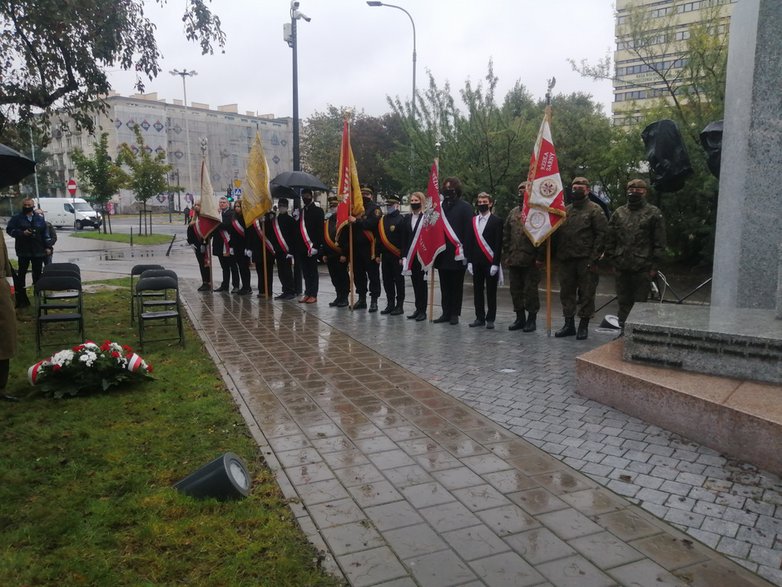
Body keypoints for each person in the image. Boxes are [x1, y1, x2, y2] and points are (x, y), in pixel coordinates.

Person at [605, 178, 667, 331]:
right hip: (621, 265)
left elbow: (659, 242)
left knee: (640, 304)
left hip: (643, 267)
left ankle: (637, 333)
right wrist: (612, 260)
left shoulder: (653, 213)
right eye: (631, 190)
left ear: (644, 192)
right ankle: (623, 332)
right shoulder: (619, 212)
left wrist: (654, 266)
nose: (634, 193)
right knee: (623, 302)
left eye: (638, 190)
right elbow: (610, 237)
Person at [554, 177, 608, 340]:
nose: (576, 190)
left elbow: (602, 235)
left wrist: (594, 258)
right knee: (566, 292)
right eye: (574, 187)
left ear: (587, 190)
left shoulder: (595, 210)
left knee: (586, 293)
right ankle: (568, 324)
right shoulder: (566, 210)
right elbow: (557, 233)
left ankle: (583, 325)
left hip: (586, 259)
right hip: (566, 259)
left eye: (580, 187)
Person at [503, 182, 544, 332]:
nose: (521, 194)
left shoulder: (537, 213)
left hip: (530, 261)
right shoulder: (513, 213)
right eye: (519, 192)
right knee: (515, 290)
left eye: (524, 192)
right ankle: (519, 318)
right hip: (514, 259)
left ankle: (531, 320)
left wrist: (540, 257)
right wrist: (507, 253)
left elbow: (542, 236)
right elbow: (506, 233)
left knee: (530, 291)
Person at [433, 177, 473, 325]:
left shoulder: (466, 208)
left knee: (456, 285)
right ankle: (445, 312)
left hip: (458, 253)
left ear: (457, 190)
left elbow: (469, 232)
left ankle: (455, 313)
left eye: (451, 190)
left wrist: (467, 253)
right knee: (444, 285)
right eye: (445, 189)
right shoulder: (440, 208)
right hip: (442, 253)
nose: (447, 192)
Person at [341, 185, 382, 312]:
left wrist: (356, 221)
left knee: (373, 275)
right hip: (356, 248)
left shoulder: (375, 209)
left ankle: (374, 301)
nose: (364, 196)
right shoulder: (354, 209)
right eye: (362, 194)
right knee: (358, 275)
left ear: (371, 196)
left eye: (367, 194)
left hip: (370, 248)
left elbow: (370, 224)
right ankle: (362, 299)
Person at [467, 192, 503, 329]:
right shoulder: (473, 221)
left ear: (491, 203)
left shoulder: (497, 221)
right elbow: (469, 241)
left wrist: (495, 263)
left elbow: (498, 244)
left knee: (491, 291)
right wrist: (469, 261)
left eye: (484, 202)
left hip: (490, 262)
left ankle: (490, 318)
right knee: (477, 290)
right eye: (480, 202)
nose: (482, 204)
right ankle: (479, 317)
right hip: (476, 262)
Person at [6, 197, 50, 307]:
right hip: (23, 251)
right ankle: (22, 298)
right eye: (25, 205)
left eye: (29, 205)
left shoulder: (39, 218)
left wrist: (48, 247)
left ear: (33, 205)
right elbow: (10, 230)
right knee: (22, 274)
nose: (27, 207)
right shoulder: (17, 218)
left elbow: (45, 233)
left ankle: (38, 295)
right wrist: (21, 233)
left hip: (37, 250)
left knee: (38, 274)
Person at [377, 194, 407, 316]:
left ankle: (399, 305)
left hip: (397, 256)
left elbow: (404, 240)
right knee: (387, 280)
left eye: (390, 205)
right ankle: (390, 304)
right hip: (385, 256)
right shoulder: (382, 220)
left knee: (399, 281)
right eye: (387, 205)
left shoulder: (401, 220)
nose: (388, 207)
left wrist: (402, 256)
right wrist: (377, 254)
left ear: (397, 205)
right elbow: (379, 239)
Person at [295, 189, 324, 303]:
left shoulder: (318, 211)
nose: (304, 198)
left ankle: (313, 294)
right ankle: (307, 292)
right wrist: (296, 219)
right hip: (302, 247)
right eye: (303, 196)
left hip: (312, 246)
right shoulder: (301, 212)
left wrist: (316, 246)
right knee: (305, 272)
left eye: (307, 195)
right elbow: (297, 231)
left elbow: (319, 230)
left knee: (312, 271)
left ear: (311, 196)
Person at [402, 191, 427, 321]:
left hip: (422, 256)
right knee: (415, 283)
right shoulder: (407, 218)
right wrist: (404, 256)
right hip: (411, 256)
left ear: (421, 202)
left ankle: (423, 310)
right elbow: (404, 239)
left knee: (422, 284)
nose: (414, 203)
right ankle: (417, 309)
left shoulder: (426, 218)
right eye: (412, 201)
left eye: (416, 201)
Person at [321, 195, 349, 307]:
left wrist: (345, 254)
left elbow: (347, 239)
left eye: (335, 205)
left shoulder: (343, 220)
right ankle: (338, 296)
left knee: (342, 276)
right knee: (334, 277)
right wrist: (323, 253)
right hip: (330, 255)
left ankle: (345, 297)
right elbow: (324, 237)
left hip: (340, 254)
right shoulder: (328, 221)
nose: (333, 207)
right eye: (331, 205)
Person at [212, 195, 240, 293]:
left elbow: (228, 226)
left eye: (224, 202)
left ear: (227, 204)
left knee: (233, 266)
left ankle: (236, 285)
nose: (222, 204)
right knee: (224, 267)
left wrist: (217, 223)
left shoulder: (231, 214)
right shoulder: (216, 214)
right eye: (220, 202)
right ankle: (225, 286)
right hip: (219, 243)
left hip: (229, 243)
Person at [1, 234, 17, 401]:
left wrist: (10, 286)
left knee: (6, 338)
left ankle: (1, 388)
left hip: (1, 292)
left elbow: (5, 262)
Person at [271, 198, 296, 300]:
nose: (282, 207)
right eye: (280, 205)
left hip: (287, 250)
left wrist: (291, 251)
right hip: (278, 250)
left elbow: (294, 237)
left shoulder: (291, 220)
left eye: (283, 205)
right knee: (280, 272)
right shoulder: (275, 220)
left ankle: (290, 291)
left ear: (287, 206)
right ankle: (285, 290)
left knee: (287, 272)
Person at [248, 210, 276, 298]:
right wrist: (249, 248)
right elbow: (250, 234)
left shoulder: (271, 218)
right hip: (257, 250)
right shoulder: (254, 219)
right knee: (260, 271)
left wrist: (266, 221)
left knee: (268, 271)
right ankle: (261, 290)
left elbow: (272, 233)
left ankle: (268, 291)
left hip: (267, 250)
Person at [186, 201, 211, 292]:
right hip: (197, 246)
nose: (196, 207)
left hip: (205, 245)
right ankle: (204, 281)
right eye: (195, 205)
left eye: (198, 205)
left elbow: (208, 233)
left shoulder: (205, 219)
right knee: (201, 264)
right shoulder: (193, 219)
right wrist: (191, 243)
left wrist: (205, 244)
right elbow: (189, 232)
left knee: (206, 264)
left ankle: (208, 282)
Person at [229, 200, 252, 295]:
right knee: (240, 267)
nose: (237, 208)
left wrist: (248, 247)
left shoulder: (246, 218)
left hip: (244, 247)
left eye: (239, 206)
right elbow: (232, 233)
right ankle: (244, 286)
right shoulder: (234, 218)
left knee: (245, 267)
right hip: (236, 246)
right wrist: (231, 246)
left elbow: (249, 234)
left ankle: (247, 287)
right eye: (236, 206)